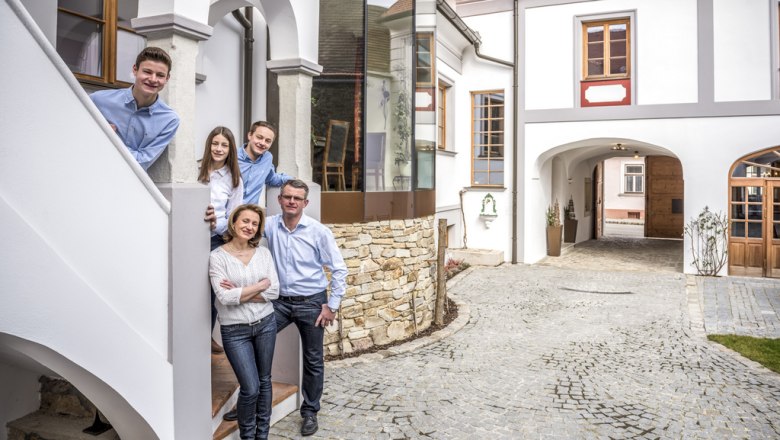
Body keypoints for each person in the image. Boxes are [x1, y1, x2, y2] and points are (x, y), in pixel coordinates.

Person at [265, 179, 347, 436]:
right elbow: (239, 227)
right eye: (287, 196)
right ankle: (251, 400)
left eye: (297, 198)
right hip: (278, 302)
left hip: (312, 302)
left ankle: (310, 411)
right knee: (255, 343)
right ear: (279, 199)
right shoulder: (269, 225)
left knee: (313, 359)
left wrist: (332, 306)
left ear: (305, 203)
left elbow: (339, 269)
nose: (291, 201)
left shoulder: (318, 231)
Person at [209, 204, 279, 440]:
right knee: (250, 388)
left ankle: (263, 435)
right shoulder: (217, 257)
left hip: (266, 325)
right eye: (245, 221)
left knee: (265, 380)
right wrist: (259, 286)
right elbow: (224, 298)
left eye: (255, 223)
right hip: (235, 331)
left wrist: (239, 290)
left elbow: (275, 292)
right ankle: (247, 436)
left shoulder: (264, 254)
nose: (249, 227)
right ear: (234, 222)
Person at [90, 46, 180, 170]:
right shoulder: (98, 100)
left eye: (160, 75)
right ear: (135, 70)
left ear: (167, 79)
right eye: (147, 72)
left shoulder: (169, 120)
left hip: (130, 185)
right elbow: (79, 137)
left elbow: (142, 162)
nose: (153, 79)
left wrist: (109, 141)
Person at [198, 126, 244, 354]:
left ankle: (204, 337)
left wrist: (217, 223)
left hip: (215, 241)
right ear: (209, 145)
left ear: (230, 149)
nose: (218, 148)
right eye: (215, 143)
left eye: (224, 145)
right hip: (188, 236)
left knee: (211, 292)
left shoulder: (234, 179)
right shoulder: (195, 169)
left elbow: (234, 217)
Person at [238, 121, 292, 204]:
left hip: (251, 212)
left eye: (268, 141)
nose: (262, 143)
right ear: (250, 135)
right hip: (228, 213)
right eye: (259, 137)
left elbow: (271, 178)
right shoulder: (233, 156)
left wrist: (292, 180)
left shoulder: (267, 158)